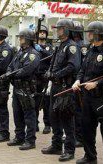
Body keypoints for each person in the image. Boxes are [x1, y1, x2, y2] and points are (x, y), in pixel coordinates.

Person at [72, 21, 103, 164]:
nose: (89, 35)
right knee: (87, 128)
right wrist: (77, 80)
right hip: (87, 97)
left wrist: (96, 83)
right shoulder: (89, 50)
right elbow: (82, 69)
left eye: (91, 32)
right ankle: (90, 157)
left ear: (99, 34)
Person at [41, 19, 81, 162]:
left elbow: (73, 66)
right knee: (53, 116)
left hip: (65, 87)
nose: (57, 31)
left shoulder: (72, 47)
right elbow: (54, 65)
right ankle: (56, 145)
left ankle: (69, 150)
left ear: (67, 30)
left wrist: (56, 74)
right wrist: (49, 73)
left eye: (60, 29)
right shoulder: (60, 46)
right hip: (56, 86)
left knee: (66, 119)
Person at [6, 28, 40, 150]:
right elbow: (11, 66)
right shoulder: (20, 52)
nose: (19, 39)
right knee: (17, 113)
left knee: (29, 115)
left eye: (21, 37)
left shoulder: (33, 54)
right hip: (17, 88)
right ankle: (19, 137)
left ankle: (30, 140)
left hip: (27, 88)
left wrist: (12, 74)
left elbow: (26, 70)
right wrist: (9, 72)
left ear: (28, 40)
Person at [34, 24, 53, 134]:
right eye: (40, 32)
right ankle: (34, 124)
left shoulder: (49, 47)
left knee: (46, 102)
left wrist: (41, 49)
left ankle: (47, 124)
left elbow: (51, 57)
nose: (42, 33)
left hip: (45, 77)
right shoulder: (33, 47)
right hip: (35, 76)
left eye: (44, 32)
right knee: (35, 102)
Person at [71, 21, 85, 148]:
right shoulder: (72, 45)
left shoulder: (81, 46)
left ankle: (79, 137)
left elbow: (82, 66)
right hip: (73, 82)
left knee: (78, 111)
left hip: (78, 83)